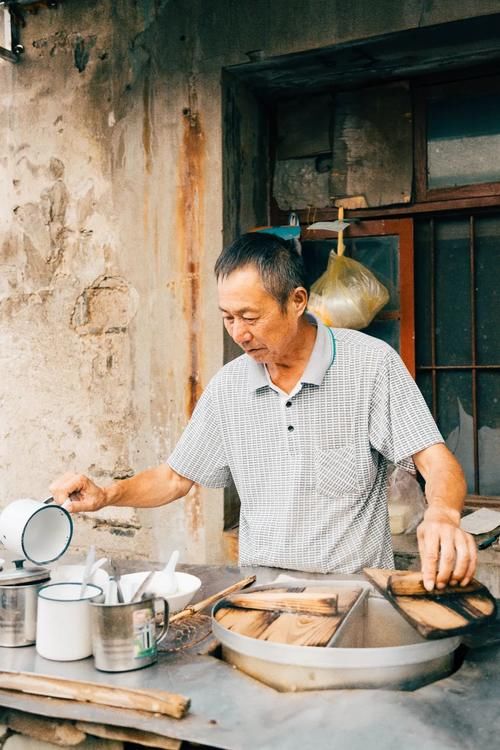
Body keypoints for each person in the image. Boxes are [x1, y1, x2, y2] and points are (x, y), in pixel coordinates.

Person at [50, 232, 477, 591]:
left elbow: (437, 462)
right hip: (261, 593)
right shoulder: (230, 386)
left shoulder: (370, 365)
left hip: (356, 593)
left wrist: (442, 514)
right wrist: (108, 495)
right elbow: (174, 478)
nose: (239, 333)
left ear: (296, 301)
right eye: (227, 318)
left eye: (250, 316)